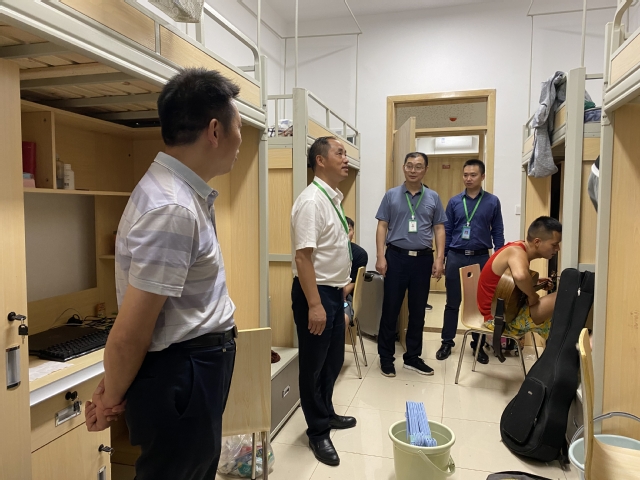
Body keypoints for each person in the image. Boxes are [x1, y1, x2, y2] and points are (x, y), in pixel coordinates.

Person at [84, 68, 241, 480]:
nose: (241, 140)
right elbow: (132, 330)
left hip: (191, 369)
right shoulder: (172, 207)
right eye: (239, 126)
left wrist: (111, 388)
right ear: (215, 130)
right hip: (183, 374)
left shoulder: (181, 194)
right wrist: (110, 399)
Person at [291, 136, 357, 467]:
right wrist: (315, 305)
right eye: (339, 153)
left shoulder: (332, 198)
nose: (346, 159)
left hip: (332, 292)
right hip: (314, 294)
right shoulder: (311, 201)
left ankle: (327, 412)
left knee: (332, 361)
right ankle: (317, 432)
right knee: (313, 365)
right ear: (320, 160)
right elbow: (303, 258)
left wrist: (341, 287)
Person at [375, 152, 446, 377]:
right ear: (404, 168)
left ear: (425, 170)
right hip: (396, 257)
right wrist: (380, 256)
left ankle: (413, 358)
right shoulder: (391, 195)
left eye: (418, 166)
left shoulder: (433, 197)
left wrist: (439, 258)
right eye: (409, 165)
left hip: (423, 260)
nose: (413, 170)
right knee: (390, 310)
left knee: (418, 311)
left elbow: (439, 228)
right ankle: (386, 358)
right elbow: (382, 226)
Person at [436, 159, 504, 364]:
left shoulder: (492, 201)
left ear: (482, 176)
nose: (468, 178)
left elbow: (497, 231)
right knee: (452, 302)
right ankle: (447, 342)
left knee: (479, 304)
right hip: (456, 256)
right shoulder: (454, 202)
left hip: (481, 257)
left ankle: (478, 344)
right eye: (465, 175)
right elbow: (447, 231)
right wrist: (443, 258)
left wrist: (500, 258)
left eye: (473, 175)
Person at [477, 216, 561, 342]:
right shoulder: (516, 252)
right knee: (562, 296)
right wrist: (532, 295)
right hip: (498, 319)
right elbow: (520, 276)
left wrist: (537, 283)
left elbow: (511, 283)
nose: (558, 248)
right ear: (537, 242)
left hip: (503, 313)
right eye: (554, 244)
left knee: (557, 313)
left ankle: (559, 344)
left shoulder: (518, 247)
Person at [343, 217, 368, 326]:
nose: (345, 234)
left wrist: (339, 295)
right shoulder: (327, 252)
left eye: (348, 230)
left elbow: (354, 282)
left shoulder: (360, 254)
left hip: (346, 295)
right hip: (326, 293)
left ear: (353, 232)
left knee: (341, 319)